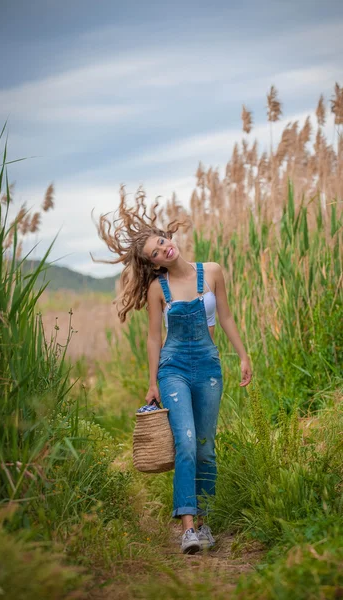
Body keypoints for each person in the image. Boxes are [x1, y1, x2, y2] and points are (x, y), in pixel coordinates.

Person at [95, 191, 252, 554]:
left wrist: (243, 355)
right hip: (174, 369)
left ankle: (207, 519)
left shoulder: (211, 272)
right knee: (184, 440)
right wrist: (152, 382)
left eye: (162, 241)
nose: (164, 249)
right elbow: (154, 338)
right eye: (155, 252)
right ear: (153, 263)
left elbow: (225, 317)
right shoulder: (157, 288)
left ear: (170, 238)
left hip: (209, 366)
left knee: (205, 447)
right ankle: (188, 528)